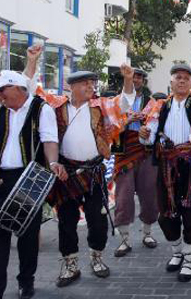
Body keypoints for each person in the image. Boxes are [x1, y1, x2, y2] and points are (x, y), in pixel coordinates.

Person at [22, 45, 135, 287]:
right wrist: (32, 62)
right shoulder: (56, 104)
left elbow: (125, 103)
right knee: (66, 220)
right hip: (66, 173)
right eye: (86, 83)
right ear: (71, 86)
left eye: (93, 84)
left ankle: (97, 257)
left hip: (93, 171)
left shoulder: (101, 105)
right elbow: (31, 89)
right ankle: (70, 264)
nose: (91, 87)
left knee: (97, 219)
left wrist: (128, 80)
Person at [0, 70, 63, 299]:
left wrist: (54, 163)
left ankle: (26, 281)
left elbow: (49, 141)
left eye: (2, 89)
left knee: (28, 235)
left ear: (18, 88)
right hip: (0, 179)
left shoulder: (41, 109)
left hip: (29, 179)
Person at [138, 63, 191, 282]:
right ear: (170, 82)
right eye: (178, 77)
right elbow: (149, 137)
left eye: (186, 78)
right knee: (166, 211)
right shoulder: (160, 106)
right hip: (167, 165)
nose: (181, 81)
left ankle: (189, 258)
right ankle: (177, 250)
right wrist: (143, 134)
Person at [112, 69, 159, 257]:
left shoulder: (153, 102)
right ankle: (124, 239)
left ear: (143, 80)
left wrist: (145, 124)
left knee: (149, 193)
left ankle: (147, 233)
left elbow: (158, 122)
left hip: (146, 151)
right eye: (133, 77)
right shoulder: (117, 101)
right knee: (123, 196)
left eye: (139, 77)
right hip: (124, 151)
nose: (136, 79)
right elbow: (109, 125)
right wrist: (126, 121)